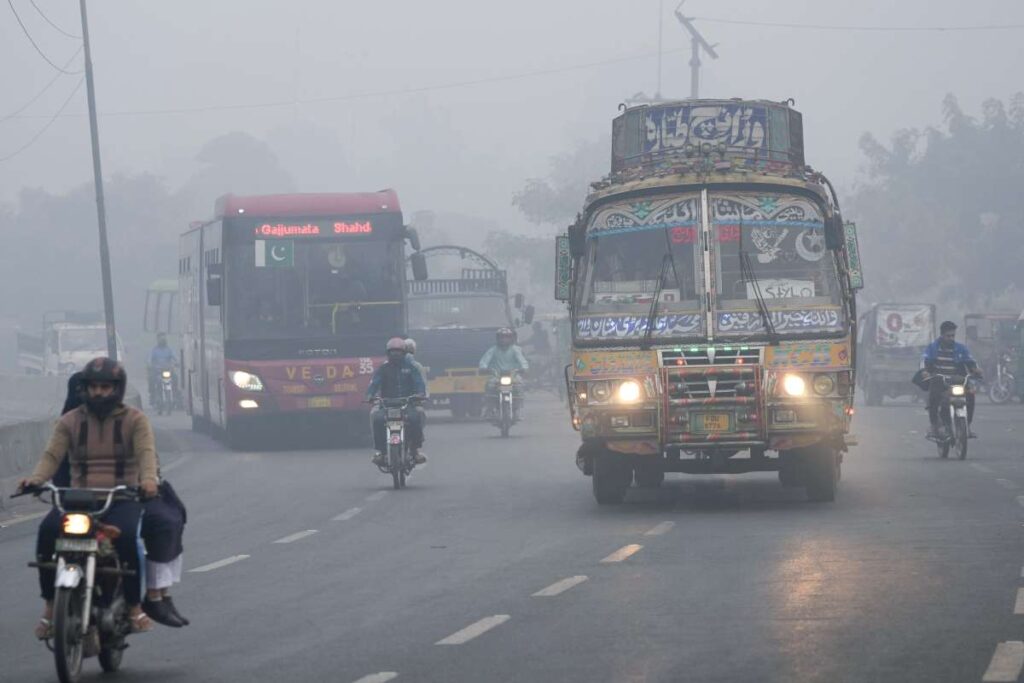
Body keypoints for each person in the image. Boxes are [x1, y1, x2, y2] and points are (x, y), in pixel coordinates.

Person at [18, 358, 159, 637]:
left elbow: (146, 454)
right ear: (84, 388)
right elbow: (52, 456)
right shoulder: (69, 421)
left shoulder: (136, 420)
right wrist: (36, 479)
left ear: (116, 389)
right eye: (93, 387)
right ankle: (50, 607)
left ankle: (133, 607)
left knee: (128, 538)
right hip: (76, 500)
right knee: (47, 534)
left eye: (105, 387)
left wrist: (148, 481)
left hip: (120, 499)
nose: (98, 392)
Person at [365, 337, 427, 466]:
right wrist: (370, 395)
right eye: (393, 352)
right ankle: (381, 452)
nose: (395, 354)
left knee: (417, 417)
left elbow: (419, 382)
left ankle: (415, 451)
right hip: (387, 405)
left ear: (404, 353)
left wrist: (420, 394)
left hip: (407, 404)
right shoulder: (383, 368)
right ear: (388, 353)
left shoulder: (412, 367)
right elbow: (374, 383)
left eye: (398, 352)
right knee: (376, 418)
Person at [921, 321, 982, 438]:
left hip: (958, 380)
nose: (951, 338)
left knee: (970, 395)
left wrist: (975, 370)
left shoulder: (961, 348)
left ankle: (967, 426)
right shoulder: (932, 347)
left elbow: (970, 362)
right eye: (948, 336)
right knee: (933, 398)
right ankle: (934, 426)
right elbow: (924, 361)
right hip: (939, 380)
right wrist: (925, 371)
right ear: (942, 335)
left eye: (953, 336)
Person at [479, 328, 530, 412]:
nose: (504, 339)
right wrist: (483, 368)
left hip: (513, 375)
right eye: (501, 337)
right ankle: (490, 409)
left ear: (511, 338)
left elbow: (522, 361)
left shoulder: (515, 349)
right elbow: (484, 360)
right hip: (496, 375)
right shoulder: (493, 350)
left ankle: (517, 408)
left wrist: (524, 368)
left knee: (519, 386)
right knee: (489, 386)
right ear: (497, 339)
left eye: (506, 337)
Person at [148, 333, 177, 405]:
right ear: (158, 340)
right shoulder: (154, 350)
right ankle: (153, 396)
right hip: (157, 371)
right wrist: (150, 365)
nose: (162, 340)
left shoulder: (169, 349)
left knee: (175, 378)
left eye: (163, 339)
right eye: (161, 339)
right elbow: (149, 359)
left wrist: (177, 363)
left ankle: (175, 395)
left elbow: (175, 358)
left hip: (167, 370)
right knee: (151, 379)